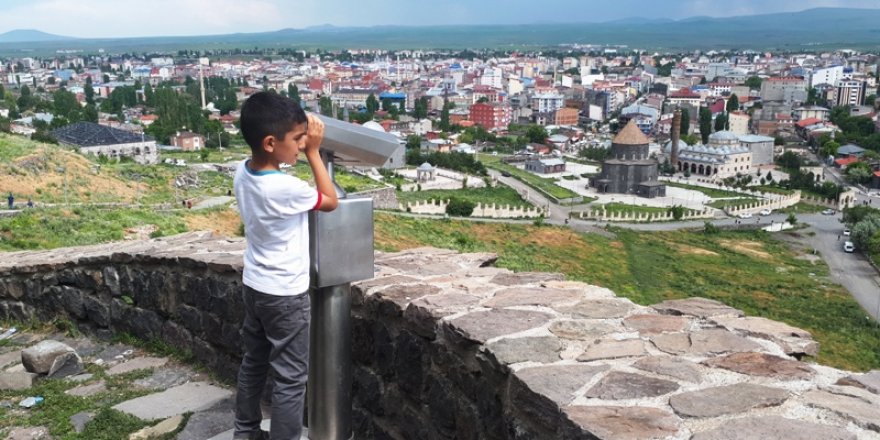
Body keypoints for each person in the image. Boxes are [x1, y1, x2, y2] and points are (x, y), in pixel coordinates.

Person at [232, 92, 338, 440]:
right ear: (269, 142)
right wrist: (314, 154)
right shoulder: (284, 187)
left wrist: (301, 141)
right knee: (291, 379)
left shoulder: (242, 172)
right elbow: (330, 201)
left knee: (254, 364)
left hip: (256, 285)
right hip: (286, 295)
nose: (300, 145)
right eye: (295, 139)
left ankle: (245, 432)